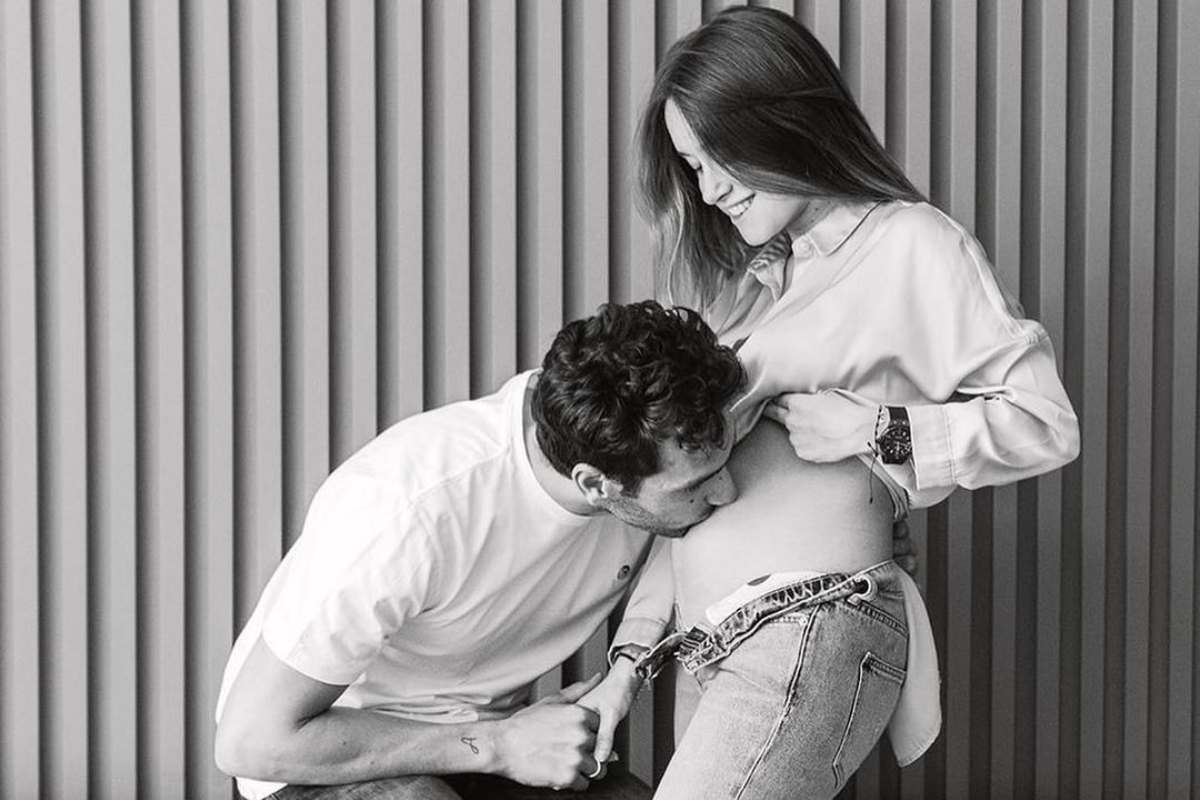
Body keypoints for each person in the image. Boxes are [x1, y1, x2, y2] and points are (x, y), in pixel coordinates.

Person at [581, 7, 1081, 799]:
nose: (710, 189)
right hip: (709, 648)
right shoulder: (742, 293)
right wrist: (629, 663)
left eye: (719, 156)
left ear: (784, 122)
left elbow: (1045, 425)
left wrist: (879, 430)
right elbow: (687, 507)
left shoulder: (912, 243)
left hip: (809, 620)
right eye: (693, 166)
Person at [213, 300, 746, 800]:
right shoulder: (410, 508)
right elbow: (251, 742)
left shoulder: (633, 435)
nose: (726, 493)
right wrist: (501, 745)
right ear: (595, 484)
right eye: (696, 485)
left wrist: (624, 674)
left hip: (485, 740)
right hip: (326, 756)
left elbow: (672, 557)